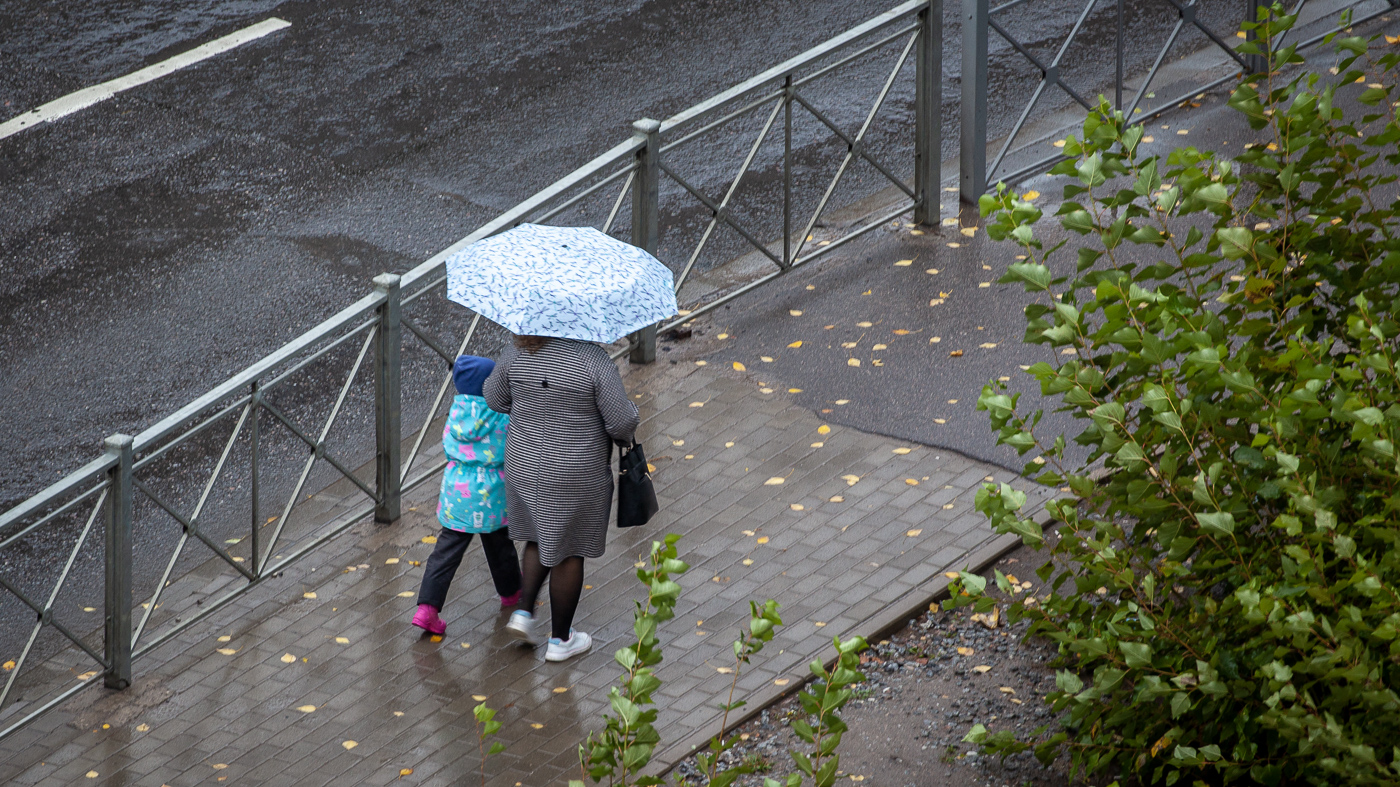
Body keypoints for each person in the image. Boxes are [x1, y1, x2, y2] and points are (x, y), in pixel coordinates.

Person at [483, 334, 639, 662]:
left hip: (524, 465)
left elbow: (494, 397)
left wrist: (531, 407)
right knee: (569, 550)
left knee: (539, 537)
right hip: (574, 471)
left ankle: (523, 615)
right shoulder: (593, 361)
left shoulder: (516, 352)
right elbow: (621, 422)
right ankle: (560, 640)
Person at [411, 355, 522, 636]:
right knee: (500, 547)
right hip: (492, 495)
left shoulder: (457, 411)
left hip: (457, 495)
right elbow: (508, 449)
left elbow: (448, 445)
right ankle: (511, 594)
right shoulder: (500, 414)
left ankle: (427, 609)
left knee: (444, 554)